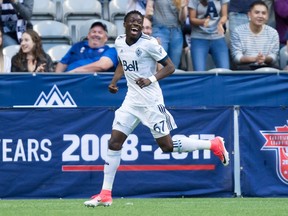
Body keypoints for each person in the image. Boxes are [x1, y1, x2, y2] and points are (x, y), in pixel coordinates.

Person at [83, 10, 229, 208]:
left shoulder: (149, 43)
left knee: (166, 147)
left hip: (151, 102)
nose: (136, 24)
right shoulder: (119, 41)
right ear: (125, 24)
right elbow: (122, 62)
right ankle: (105, 193)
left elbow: (170, 66)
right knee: (114, 142)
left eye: (139, 22)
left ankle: (212, 145)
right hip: (131, 101)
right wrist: (115, 81)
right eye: (132, 21)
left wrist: (150, 79)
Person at [230, 1, 279, 70]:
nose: (260, 16)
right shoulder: (238, 31)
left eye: (264, 13)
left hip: (266, 67)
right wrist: (255, 59)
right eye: (257, 12)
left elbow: (274, 57)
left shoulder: (273, 33)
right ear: (249, 15)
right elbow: (237, 58)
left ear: (267, 16)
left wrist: (265, 58)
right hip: (246, 68)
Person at [188, 0, 230, 71]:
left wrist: (220, 23)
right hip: (199, 37)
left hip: (218, 36)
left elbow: (225, 15)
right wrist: (202, 22)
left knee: (225, 70)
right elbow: (191, 19)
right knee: (199, 71)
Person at [145, 0, 188, 69]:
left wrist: (183, 8)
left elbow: (182, 19)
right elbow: (148, 10)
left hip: (176, 31)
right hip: (159, 30)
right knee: (159, 64)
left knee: (174, 66)